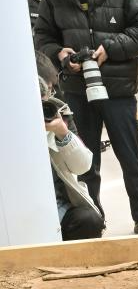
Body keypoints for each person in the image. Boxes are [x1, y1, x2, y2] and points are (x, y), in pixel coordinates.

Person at [34, 0, 138, 234]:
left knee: (130, 158)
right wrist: (60, 54)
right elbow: (43, 38)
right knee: (85, 162)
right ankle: (95, 219)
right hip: (76, 91)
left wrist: (110, 48)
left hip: (118, 89)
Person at [37, 52, 104, 242]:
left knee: (90, 221)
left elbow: (83, 167)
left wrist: (62, 133)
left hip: (58, 206)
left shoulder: (58, 111)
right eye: (40, 93)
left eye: (49, 91)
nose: (45, 99)